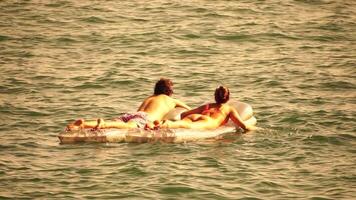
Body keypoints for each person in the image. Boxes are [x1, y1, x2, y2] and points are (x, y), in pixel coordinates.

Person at [66, 78, 191, 131]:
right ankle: (102, 124)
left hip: (133, 114)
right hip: (145, 118)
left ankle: (84, 124)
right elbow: (189, 110)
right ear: (170, 92)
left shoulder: (149, 98)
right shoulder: (171, 100)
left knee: (118, 122)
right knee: (130, 126)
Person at [160, 86, 256, 131]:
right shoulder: (229, 109)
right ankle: (166, 124)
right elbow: (244, 126)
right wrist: (256, 129)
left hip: (195, 116)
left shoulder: (207, 106)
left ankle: (165, 123)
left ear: (215, 96)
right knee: (187, 126)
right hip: (208, 121)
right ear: (228, 97)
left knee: (183, 123)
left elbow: (183, 114)